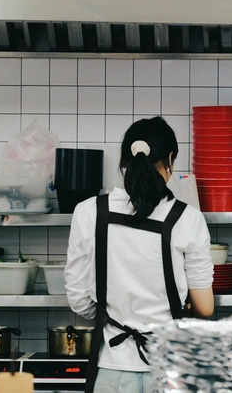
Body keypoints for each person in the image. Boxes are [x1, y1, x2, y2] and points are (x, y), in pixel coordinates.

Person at [65, 117, 214, 393]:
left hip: (111, 368)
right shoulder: (188, 218)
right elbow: (204, 308)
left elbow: (78, 298)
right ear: (171, 159)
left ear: (124, 159)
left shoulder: (88, 212)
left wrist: (114, 317)